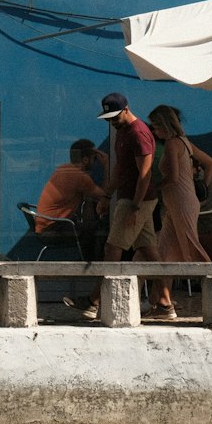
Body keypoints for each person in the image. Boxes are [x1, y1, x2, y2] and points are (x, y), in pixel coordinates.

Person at [75, 93, 159, 322]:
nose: (110, 121)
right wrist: (106, 196)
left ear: (125, 109)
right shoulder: (122, 133)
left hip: (135, 199)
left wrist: (135, 206)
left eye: (114, 116)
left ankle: (94, 301)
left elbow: (145, 175)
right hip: (129, 196)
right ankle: (165, 302)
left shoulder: (139, 134)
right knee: (150, 253)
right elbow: (121, 170)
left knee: (112, 249)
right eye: (107, 117)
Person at [147, 105, 212, 320]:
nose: (154, 131)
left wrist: (154, 187)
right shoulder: (185, 142)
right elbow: (211, 164)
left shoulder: (172, 144)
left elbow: (173, 177)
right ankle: (161, 304)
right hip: (181, 202)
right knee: (166, 253)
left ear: (164, 125)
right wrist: (202, 186)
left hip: (180, 202)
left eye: (155, 126)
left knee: (191, 249)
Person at [35, 138, 110, 256]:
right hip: (53, 230)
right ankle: (92, 265)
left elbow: (88, 200)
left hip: (44, 227)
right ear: (85, 159)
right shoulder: (79, 177)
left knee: (89, 226)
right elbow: (104, 196)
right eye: (93, 158)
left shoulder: (64, 169)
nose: (95, 162)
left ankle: (87, 262)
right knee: (100, 230)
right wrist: (106, 166)